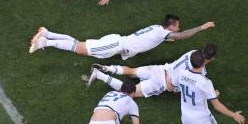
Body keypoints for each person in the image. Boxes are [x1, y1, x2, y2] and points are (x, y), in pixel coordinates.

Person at [28, 14, 215, 60]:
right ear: (172, 25)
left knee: (79, 44)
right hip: (116, 44)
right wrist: (201, 27)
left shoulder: (158, 29)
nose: (178, 28)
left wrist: (168, 38)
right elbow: (181, 36)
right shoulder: (163, 32)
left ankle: (47, 33)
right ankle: (45, 41)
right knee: (80, 48)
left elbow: (165, 38)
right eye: (177, 25)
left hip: (117, 43)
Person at [83, 43, 218, 98]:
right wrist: (211, 93)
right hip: (160, 83)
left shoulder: (193, 53)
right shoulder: (199, 72)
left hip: (158, 69)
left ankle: (107, 68)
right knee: (129, 93)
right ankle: (99, 75)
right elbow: (172, 88)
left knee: (130, 71)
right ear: (211, 59)